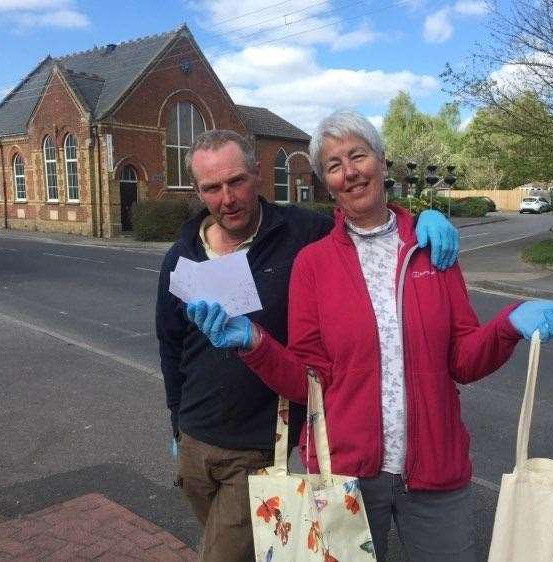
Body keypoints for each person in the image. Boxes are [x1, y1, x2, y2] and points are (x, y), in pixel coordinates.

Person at [186, 111, 553, 562]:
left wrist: (509, 325)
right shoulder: (313, 264)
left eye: (358, 155)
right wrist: (254, 343)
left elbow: (464, 361)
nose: (350, 172)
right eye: (334, 165)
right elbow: (308, 382)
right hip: (346, 473)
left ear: (381, 161)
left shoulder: (433, 249)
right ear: (326, 182)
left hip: (436, 469)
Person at [156, 128, 461, 562]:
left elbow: (362, 216)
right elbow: (170, 347)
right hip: (194, 440)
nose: (228, 198)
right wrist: (175, 423)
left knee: (223, 555)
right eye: (212, 188)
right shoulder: (182, 256)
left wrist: (421, 219)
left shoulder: (301, 231)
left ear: (257, 174)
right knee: (252, 548)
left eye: (237, 181)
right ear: (198, 191)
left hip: (260, 442)